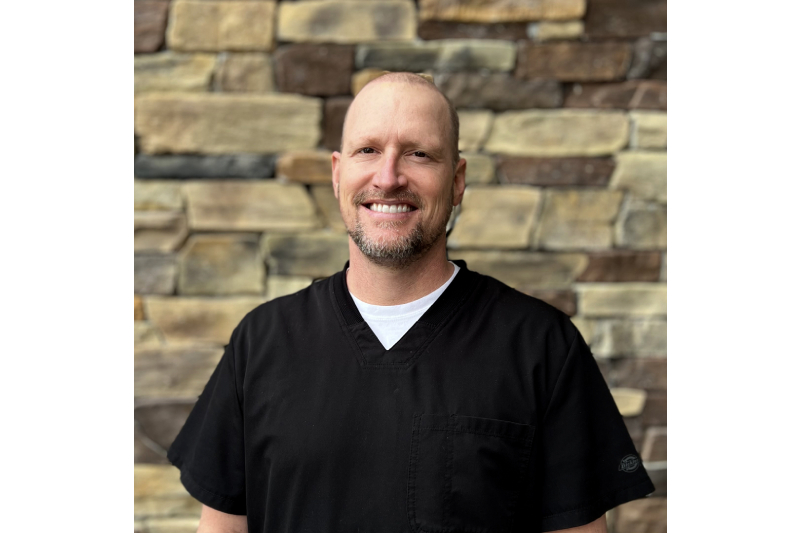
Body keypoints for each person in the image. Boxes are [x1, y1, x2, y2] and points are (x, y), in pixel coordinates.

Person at [167, 72, 655, 533]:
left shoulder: (541, 347)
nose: (388, 176)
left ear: (457, 179)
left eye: (419, 154)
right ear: (338, 174)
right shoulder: (262, 341)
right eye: (368, 150)